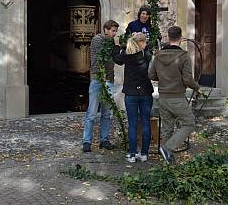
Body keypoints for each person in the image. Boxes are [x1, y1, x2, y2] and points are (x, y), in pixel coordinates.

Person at [148, 25, 200, 164]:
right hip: (177, 97)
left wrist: (165, 78)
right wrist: (197, 88)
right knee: (189, 124)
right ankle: (168, 148)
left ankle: (168, 162)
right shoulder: (184, 56)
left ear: (168, 37)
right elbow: (187, 79)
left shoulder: (158, 55)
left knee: (167, 129)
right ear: (181, 38)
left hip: (163, 97)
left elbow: (151, 75)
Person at [113, 33, 154, 163]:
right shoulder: (146, 55)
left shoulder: (127, 55)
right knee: (146, 122)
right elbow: (149, 51)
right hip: (145, 93)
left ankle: (132, 154)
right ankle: (144, 154)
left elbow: (117, 59)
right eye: (145, 42)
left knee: (132, 124)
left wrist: (117, 46)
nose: (146, 44)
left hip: (131, 94)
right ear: (140, 43)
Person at [82, 20, 120, 153]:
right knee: (91, 113)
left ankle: (104, 140)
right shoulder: (98, 39)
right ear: (106, 29)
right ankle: (86, 141)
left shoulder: (111, 41)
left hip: (109, 79)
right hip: (97, 79)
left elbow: (114, 59)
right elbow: (100, 57)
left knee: (106, 113)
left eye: (116, 31)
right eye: (113, 31)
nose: (114, 34)